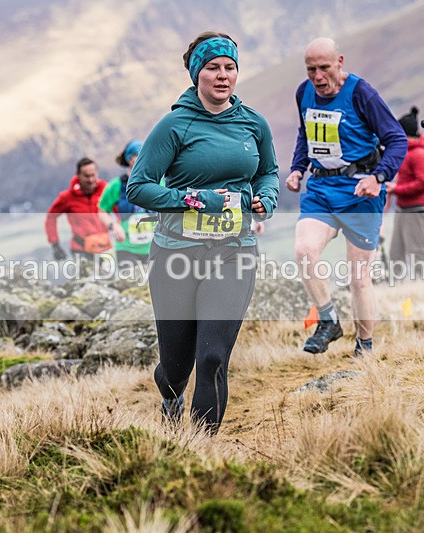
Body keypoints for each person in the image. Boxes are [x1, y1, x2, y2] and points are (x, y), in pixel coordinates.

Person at [127, 31, 279, 435]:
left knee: (212, 358)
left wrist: (266, 195)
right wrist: (195, 200)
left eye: (230, 67)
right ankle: (171, 394)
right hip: (176, 254)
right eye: (213, 68)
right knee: (177, 367)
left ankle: (199, 449)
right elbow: (138, 187)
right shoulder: (174, 125)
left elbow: (268, 172)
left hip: (234, 250)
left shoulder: (253, 123)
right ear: (197, 74)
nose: (223, 75)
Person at [286, 37, 407, 356]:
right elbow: (306, 134)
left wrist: (378, 177)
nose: (318, 77)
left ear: (340, 61)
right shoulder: (304, 92)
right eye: (311, 69)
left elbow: (396, 140)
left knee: (358, 280)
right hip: (321, 191)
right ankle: (328, 321)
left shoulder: (361, 93)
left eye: (324, 68)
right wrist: (298, 168)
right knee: (304, 252)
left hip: (359, 195)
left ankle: (364, 346)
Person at [386, 106, 424, 279]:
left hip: (415, 209)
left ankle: (423, 284)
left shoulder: (419, 154)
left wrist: (396, 189)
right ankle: (395, 286)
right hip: (403, 208)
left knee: (416, 251)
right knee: (395, 252)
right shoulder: (408, 153)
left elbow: (423, 183)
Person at [97, 140, 155, 270]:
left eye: (144, 153)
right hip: (126, 248)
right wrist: (113, 225)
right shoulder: (116, 185)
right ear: (129, 158)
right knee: (132, 285)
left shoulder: (158, 182)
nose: (141, 157)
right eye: (136, 154)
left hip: (154, 247)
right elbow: (102, 211)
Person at [44, 157, 112, 263]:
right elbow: (51, 217)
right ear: (78, 175)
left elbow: (120, 212)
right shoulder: (67, 197)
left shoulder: (107, 191)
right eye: (86, 176)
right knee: (88, 278)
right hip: (81, 250)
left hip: (106, 248)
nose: (90, 180)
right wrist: (55, 244)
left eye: (93, 175)